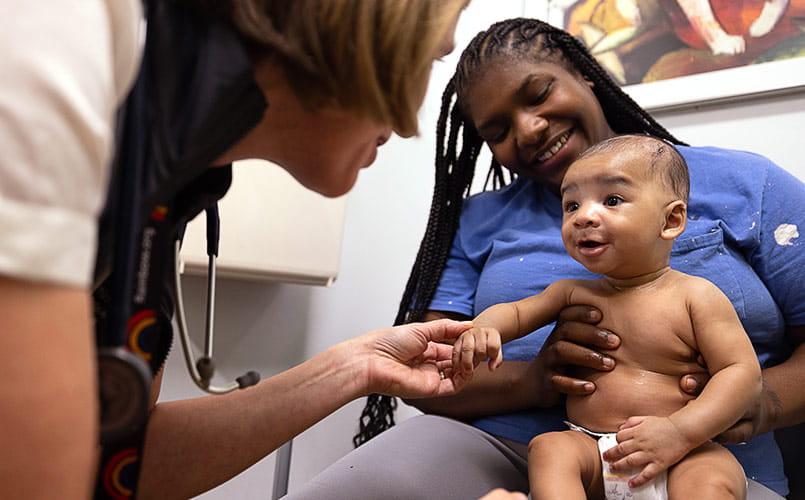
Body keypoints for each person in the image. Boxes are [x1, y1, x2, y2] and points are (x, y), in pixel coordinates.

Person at [285, 17, 805, 500]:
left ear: (584, 73)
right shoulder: (476, 220)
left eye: (539, 94)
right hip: (523, 452)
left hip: (704, 450)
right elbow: (430, 370)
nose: (528, 129)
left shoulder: (746, 184)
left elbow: (744, 376)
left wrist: (748, 406)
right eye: (497, 131)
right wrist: (532, 380)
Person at [0, 1, 473, 498]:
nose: (406, 124)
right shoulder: (61, 35)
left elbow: (117, 464)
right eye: (428, 60)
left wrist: (356, 367)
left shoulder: (176, 170)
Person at [454, 134, 760, 499]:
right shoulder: (573, 293)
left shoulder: (697, 297)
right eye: (571, 206)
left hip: (683, 452)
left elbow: (741, 373)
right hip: (595, 452)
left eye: (612, 200)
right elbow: (518, 313)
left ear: (672, 219)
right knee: (550, 448)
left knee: (710, 477)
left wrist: (681, 431)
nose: (584, 216)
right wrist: (486, 327)